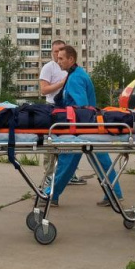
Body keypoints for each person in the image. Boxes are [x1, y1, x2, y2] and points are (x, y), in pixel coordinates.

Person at [49, 45, 122, 205]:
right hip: (88, 126)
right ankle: (114, 194)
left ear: (71, 59)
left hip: (81, 127)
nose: (58, 61)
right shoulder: (76, 74)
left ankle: (50, 195)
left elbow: (80, 108)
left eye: (61, 58)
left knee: (67, 159)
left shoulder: (75, 78)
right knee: (100, 159)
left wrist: (70, 129)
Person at [39, 39, 86, 186]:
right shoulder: (49, 68)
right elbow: (44, 90)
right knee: (51, 143)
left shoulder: (72, 69)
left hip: (67, 109)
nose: (58, 54)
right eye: (55, 52)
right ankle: (49, 174)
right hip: (53, 107)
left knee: (69, 142)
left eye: (61, 51)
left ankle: (69, 174)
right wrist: (63, 83)